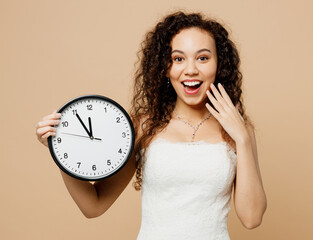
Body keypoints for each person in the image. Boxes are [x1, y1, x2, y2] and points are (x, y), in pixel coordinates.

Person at [36, 11, 267, 240]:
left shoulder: (239, 131)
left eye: (203, 58)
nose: (190, 70)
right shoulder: (145, 126)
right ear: (165, 68)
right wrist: (60, 150)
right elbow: (93, 206)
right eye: (178, 58)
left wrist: (243, 138)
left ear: (219, 65)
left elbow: (252, 218)